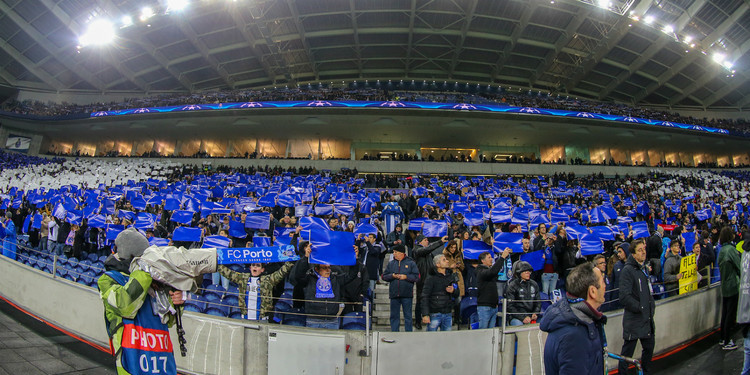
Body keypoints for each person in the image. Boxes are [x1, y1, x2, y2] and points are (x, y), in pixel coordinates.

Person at [97, 228, 184, 375]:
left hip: (161, 361)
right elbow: (125, 306)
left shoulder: (154, 281)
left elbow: (168, 320)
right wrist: (145, 270)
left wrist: (178, 303)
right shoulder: (108, 279)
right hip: (132, 361)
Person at [540, 263, 607, 375]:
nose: (605, 286)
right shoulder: (575, 335)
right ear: (592, 291)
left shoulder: (580, 321)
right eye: (602, 281)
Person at [292, 247, 357, 329]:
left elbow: (352, 275)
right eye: (324, 268)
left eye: (329, 267)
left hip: (332, 321)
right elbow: (298, 276)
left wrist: (355, 258)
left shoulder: (335, 279)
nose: (328, 270)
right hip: (313, 321)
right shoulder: (310, 279)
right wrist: (306, 257)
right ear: (317, 269)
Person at [618, 238, 656, 374]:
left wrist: (650, 307)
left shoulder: (643, 269)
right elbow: (624, 296)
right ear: (633, 254)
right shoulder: (627, 271)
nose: (643, 252)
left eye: (644, 249)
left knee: (649, 347)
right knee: (627, 354)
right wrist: (640, 307)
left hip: (646, 319)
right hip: (634, 320)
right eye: (639, 250)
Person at [217, 261, 294, 321]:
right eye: (253, 265)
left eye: (258, 266)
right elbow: (229, 273)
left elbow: (281, 273)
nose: (255, 267)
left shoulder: (268, 280)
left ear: (262, 269)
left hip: (262, 319)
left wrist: (290, 262)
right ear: (250, 268)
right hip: (245, 318)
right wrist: (216, 262)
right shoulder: (243, 278)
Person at [412, 234, 448, 329]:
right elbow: (427, 249)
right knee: (420, 300)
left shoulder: (428, 254)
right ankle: (418, 320)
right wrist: (440, 242)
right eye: (425, 240)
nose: (427, 241)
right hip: (422, 279)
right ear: (420, 242)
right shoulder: (417, 250)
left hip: (429, 278)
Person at [382, 244, 420, 332]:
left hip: (407, 294)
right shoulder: (391, 264)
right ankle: (395, 332)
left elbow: (417, 277)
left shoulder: (411, 263)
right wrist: (392, 276)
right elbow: (384, 276)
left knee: (408, 316)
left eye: (395, 252)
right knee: (394, 316)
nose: (394, 254)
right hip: (394, 294)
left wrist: (406, 277)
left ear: (402, 253)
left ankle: (408, 333)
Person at [421, 254, 459, 331]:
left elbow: (457, 293)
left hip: (448, 313)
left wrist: (453, 290)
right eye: (444, 260)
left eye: (446, 259)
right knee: (431, 338)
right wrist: (425, 314)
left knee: (447, 339)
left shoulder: (451, 276)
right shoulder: (431, 278)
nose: (447, 261)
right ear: (438, 264)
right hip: (434, 313)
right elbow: (425, 296)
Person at [718, 226, 741, 350]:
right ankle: (727, 341)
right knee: (730, 315)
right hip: (733, 286)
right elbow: (739, 266)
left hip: (725, 286)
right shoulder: (731, 250)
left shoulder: (722, 250)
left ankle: (722, 338)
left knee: (725, 313)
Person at [477, 248, 510, 329]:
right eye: (489, 257)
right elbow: (492, 272)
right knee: (483, 332)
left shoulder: (488, 271)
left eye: (491, 257)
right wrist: (502, 258)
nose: (491, 259)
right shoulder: (480, 271)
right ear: (482, 260)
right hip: (485, 307)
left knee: (492, 334)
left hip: (493, 306)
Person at [505, 261, 541, 326]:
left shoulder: (534, 284)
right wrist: (522, 317)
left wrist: (535, 313)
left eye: (529, 272)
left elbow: (538, 302)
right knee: (518, 324)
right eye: (525, 272)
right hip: (517, 317)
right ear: (519, 273)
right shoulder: (513, 285)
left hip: (531, 315)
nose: (528, 273)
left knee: (543, 323)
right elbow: (510, 306)